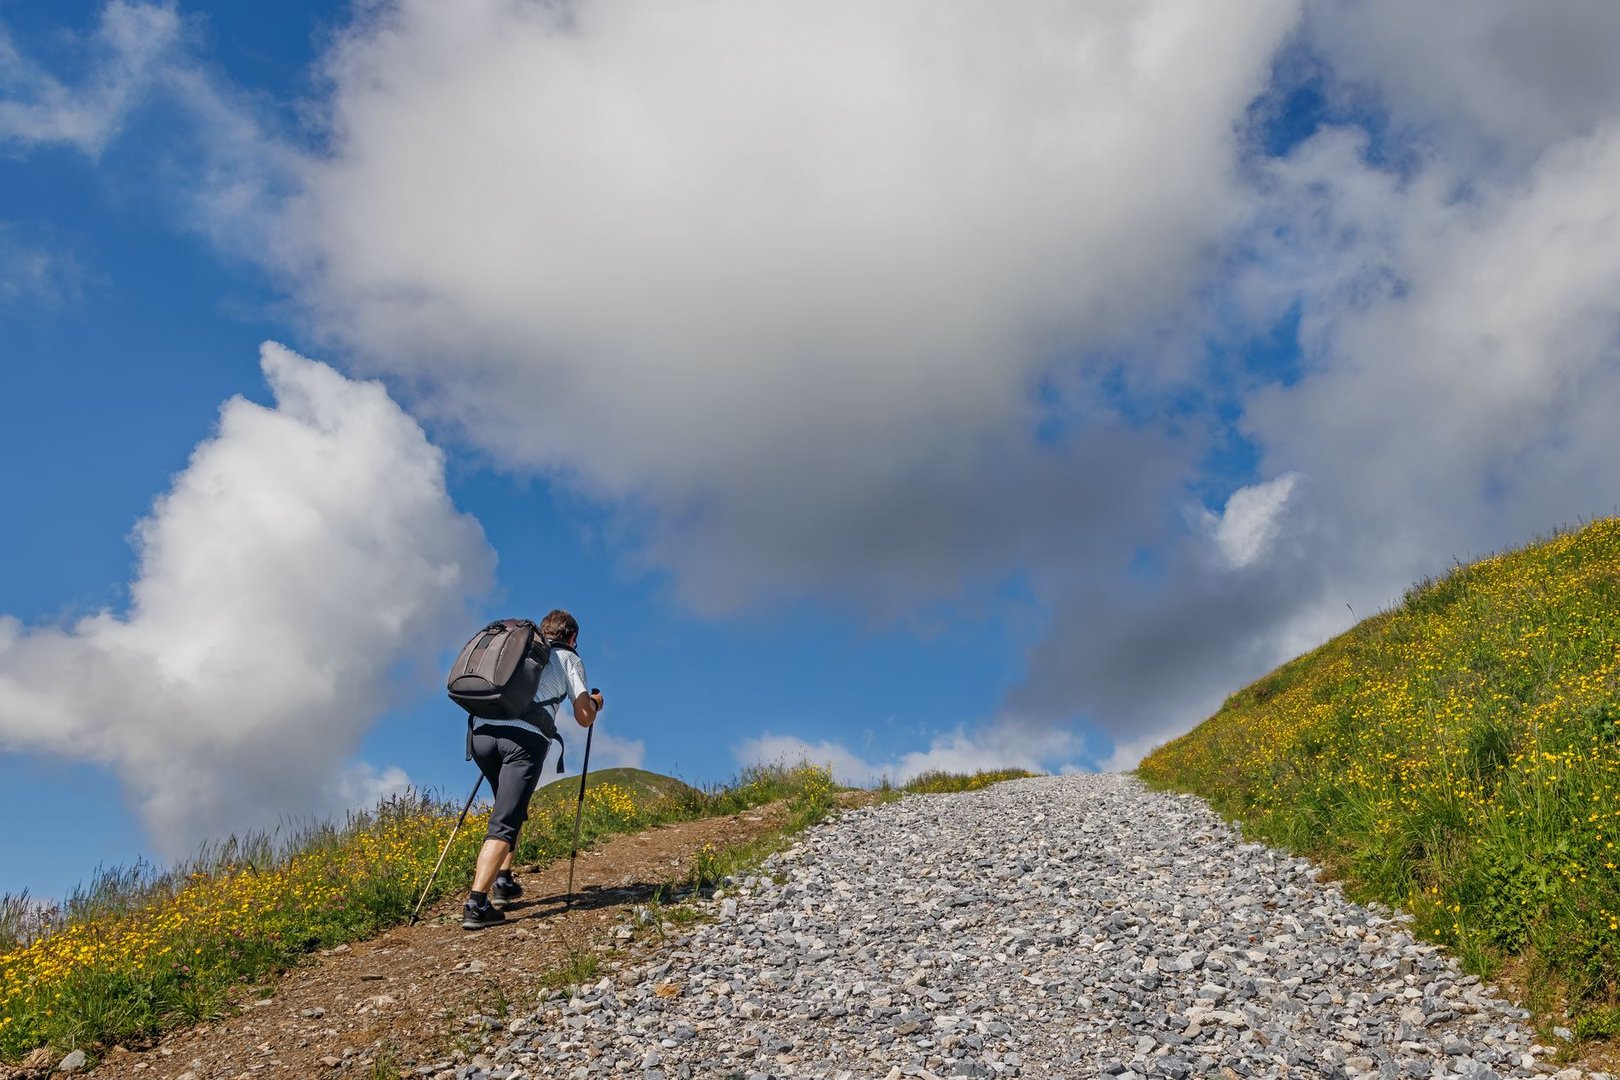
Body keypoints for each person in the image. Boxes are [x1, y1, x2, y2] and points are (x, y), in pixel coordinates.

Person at [462, 609, 603, 930]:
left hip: (481, 734)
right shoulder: (568, 658)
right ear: (572, 637)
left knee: (511, 807)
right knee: (505, 819)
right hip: (523, 740)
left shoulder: (520, 647)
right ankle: (476, 904)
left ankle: (504, 880)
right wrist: (596, 703)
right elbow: (583, 716)